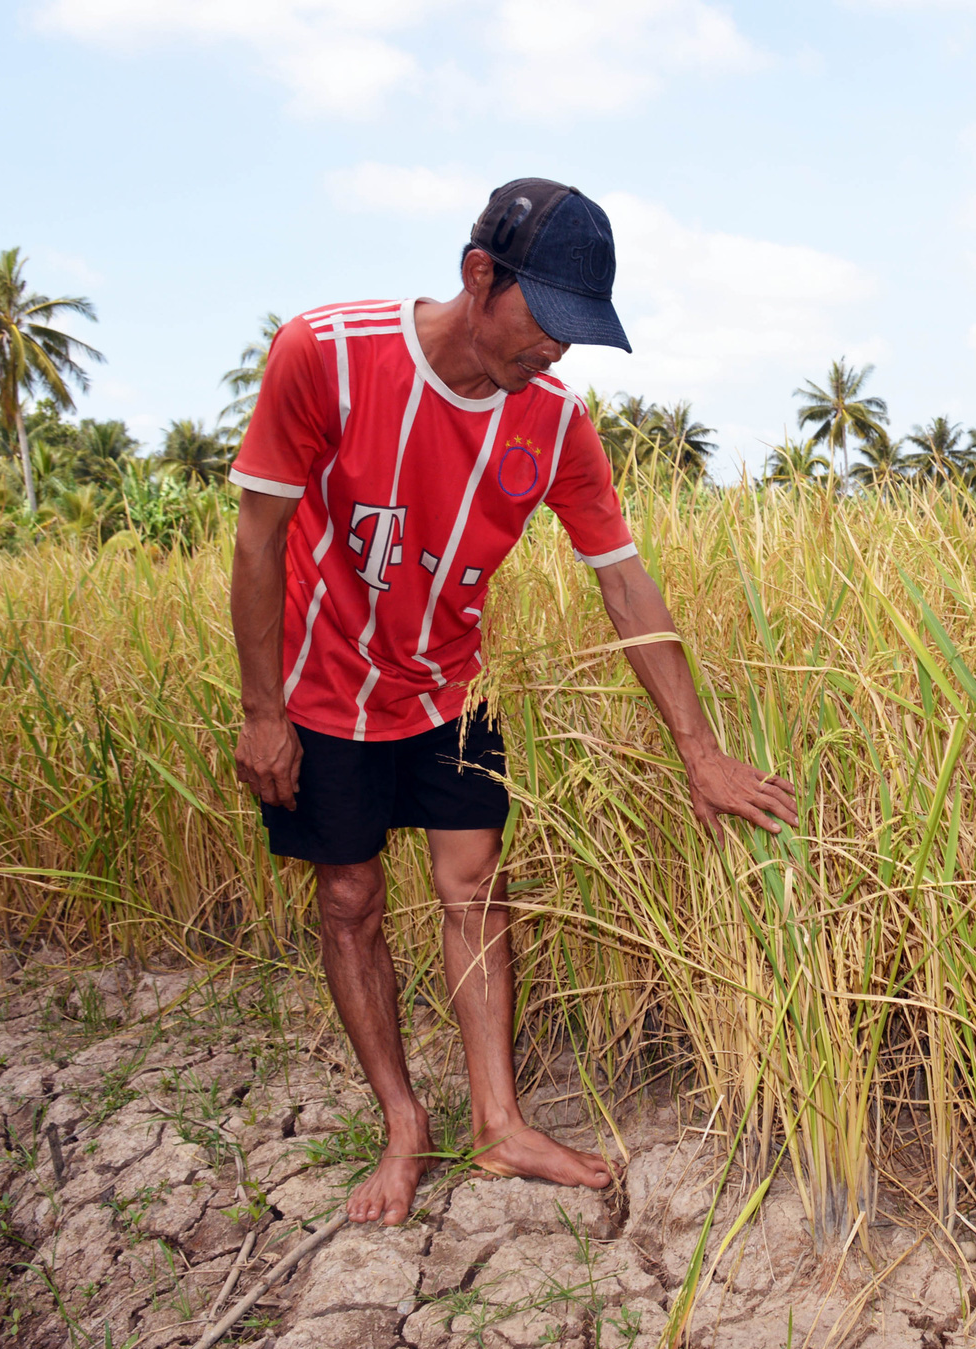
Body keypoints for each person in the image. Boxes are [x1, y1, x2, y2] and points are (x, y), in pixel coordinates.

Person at [227, 178, 798, 1227]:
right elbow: (259, 537)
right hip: (321, 688)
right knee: (350, 898)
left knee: (477, 890)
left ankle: (498, 1122)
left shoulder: (553, 424)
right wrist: (262, 713)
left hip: (450, 685)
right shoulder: (328, 351)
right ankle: (403, 1124)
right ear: (478, 276)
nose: (558, 354)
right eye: (547, 324)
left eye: (580, 335)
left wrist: (699, 749)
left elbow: (622, 578)